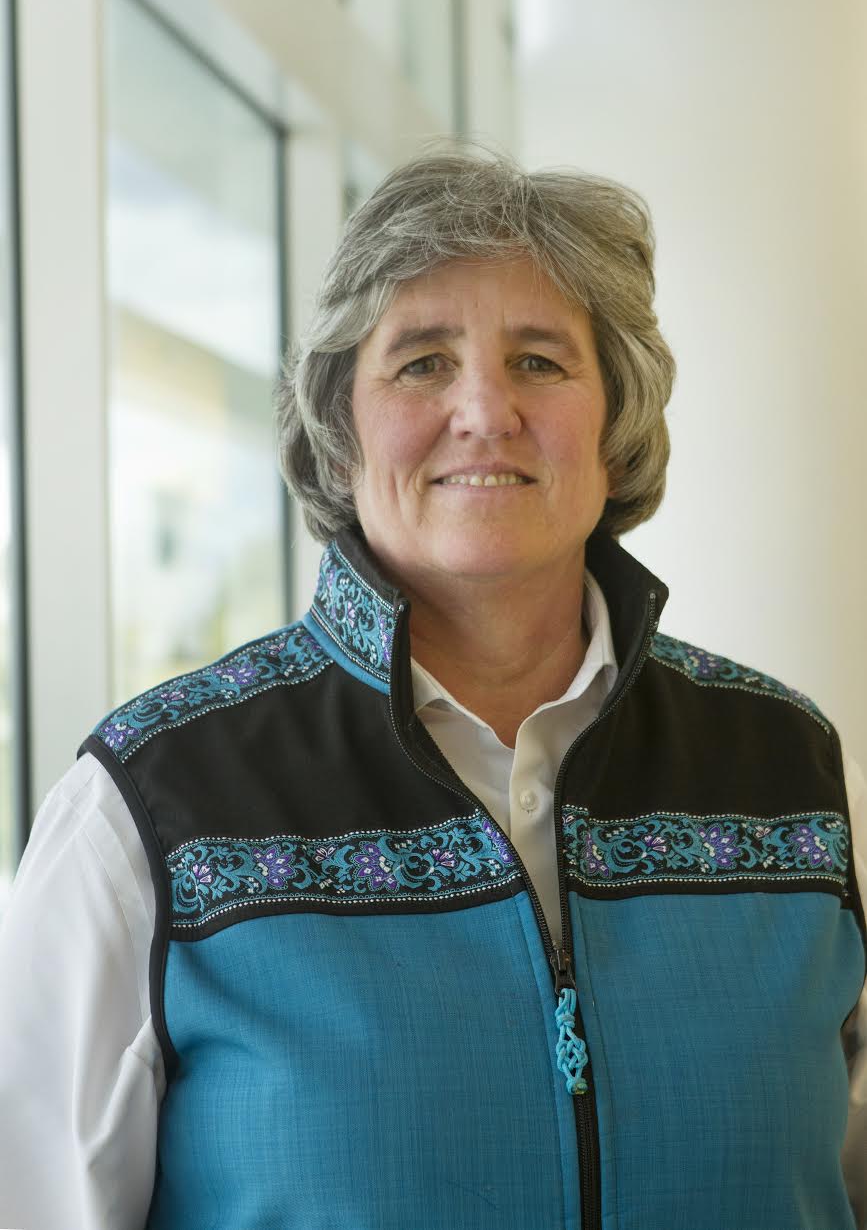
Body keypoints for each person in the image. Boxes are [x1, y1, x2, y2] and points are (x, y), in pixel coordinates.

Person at [0, 144, 864, 1230]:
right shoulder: (147, 803)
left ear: (617, 424)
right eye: (420, 363)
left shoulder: (790, 763)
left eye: (542, 361)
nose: (485, 410)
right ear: (339, 427)